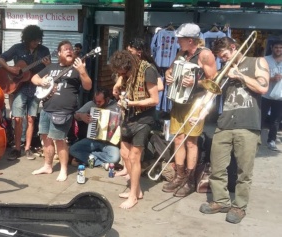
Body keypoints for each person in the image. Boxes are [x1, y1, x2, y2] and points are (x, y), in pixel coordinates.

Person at [194, 37, 269, 224]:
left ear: (234, 47)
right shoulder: (224, 71)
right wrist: (200, 114)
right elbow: (211, 97)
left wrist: (240, 76)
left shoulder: (256, 62)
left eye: (225, 55)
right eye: (221, 57)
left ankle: (239, 206)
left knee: (244, 171)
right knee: (217, 167)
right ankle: (221, 201)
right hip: (224, 123)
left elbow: (263, 87)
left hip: (248, 124)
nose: (224, 59)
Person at [162, 23, 217, 197]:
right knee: (178, 139)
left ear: (190, 40)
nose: (177, 41)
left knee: (191, 141)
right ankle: (179, 176)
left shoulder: (205, 54)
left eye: (180, 39)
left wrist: (195, 82)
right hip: (179, 101)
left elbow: (214, 82)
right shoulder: (182, 53)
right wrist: (168, 75)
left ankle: (190, 179)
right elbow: (170, 70)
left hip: (196, 102)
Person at [31, 40, 92, 181]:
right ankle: (47, 166)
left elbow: (88, 86)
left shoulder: (77, 69)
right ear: (59, 53)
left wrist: (83, 71)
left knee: (59, 140)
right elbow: (34, 77)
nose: (69, 50)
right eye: (65, 49)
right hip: (46, 109)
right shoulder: (51, 67)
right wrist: (41, 82)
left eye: (71, 49)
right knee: (45, 139)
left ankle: (63, 169)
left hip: (63, 111)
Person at [110, 50, 159, 209]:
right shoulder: (125, 72)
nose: (121, 74)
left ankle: (133, 196)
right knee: (124, 154)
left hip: (143, 118)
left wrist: (130, 103)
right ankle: (136, 190)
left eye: (123, 72)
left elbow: (154, 99)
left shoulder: (148, 70)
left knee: (134, 157)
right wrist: (117, 85)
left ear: (129, 65)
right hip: (128, 116)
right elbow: (121, 79)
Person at [0, 25, 50, 160]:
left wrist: (48, 65)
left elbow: (48, 71)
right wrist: (9, 68)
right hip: (18, 87)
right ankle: (17, 147)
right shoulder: (17, 48)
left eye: (38, 40)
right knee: (17, 118)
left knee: (31, 118)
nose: (36, 43)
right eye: (34, 40)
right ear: (27, 39)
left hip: (35, 88)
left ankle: (27, 148)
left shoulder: (44, 51)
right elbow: (0, 59)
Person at [113, 38, 164, 178]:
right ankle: (127, 169)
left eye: (130, 51)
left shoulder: (148, 67)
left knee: (135, 153)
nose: (127, 53)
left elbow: (159, 88)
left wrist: (137, 96)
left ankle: (133, 178)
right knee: (125, 150)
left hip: (143, 112)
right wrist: (117, 86)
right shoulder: (129, 68)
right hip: (129, 112)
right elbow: (122, 79)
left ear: (139, 52)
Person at [69, 87, 120, 168]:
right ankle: (102, 163)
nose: (97, 103)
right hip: (92, 140)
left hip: (108, 142)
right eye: (95, 101)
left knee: (115, 158)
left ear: (107, 99)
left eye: (99, 101)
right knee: (73, 150)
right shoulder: (91, 104)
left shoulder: (116, 106)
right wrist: (81, 116)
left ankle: (91, 156)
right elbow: (75, 115)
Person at [262, 40, 282, 151]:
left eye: (280, 47)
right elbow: (259, 76)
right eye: (276, 47)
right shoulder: (265, 60)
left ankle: (271, 140)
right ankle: (256, 139)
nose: (278, 49)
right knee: (260, 118)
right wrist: (271, 79)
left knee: (275, 120)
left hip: (280, 97)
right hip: (266, 94)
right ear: (272, 48)